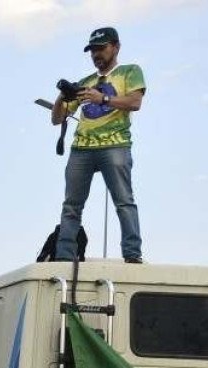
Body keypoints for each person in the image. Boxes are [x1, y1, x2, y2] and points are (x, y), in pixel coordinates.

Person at [52, 26, 146, 264]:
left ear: (116, 47)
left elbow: (135, 102)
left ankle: (132, 254)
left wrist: (102, 98)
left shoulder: (130, 71)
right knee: (71, 206)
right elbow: (56, 119)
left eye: (101, 48)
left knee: (123, 201)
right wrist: (63, 96)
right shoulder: (85, 82)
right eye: (92, 50)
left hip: (115, 145)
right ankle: (63, 256)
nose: (96, 54)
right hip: (81, 148)